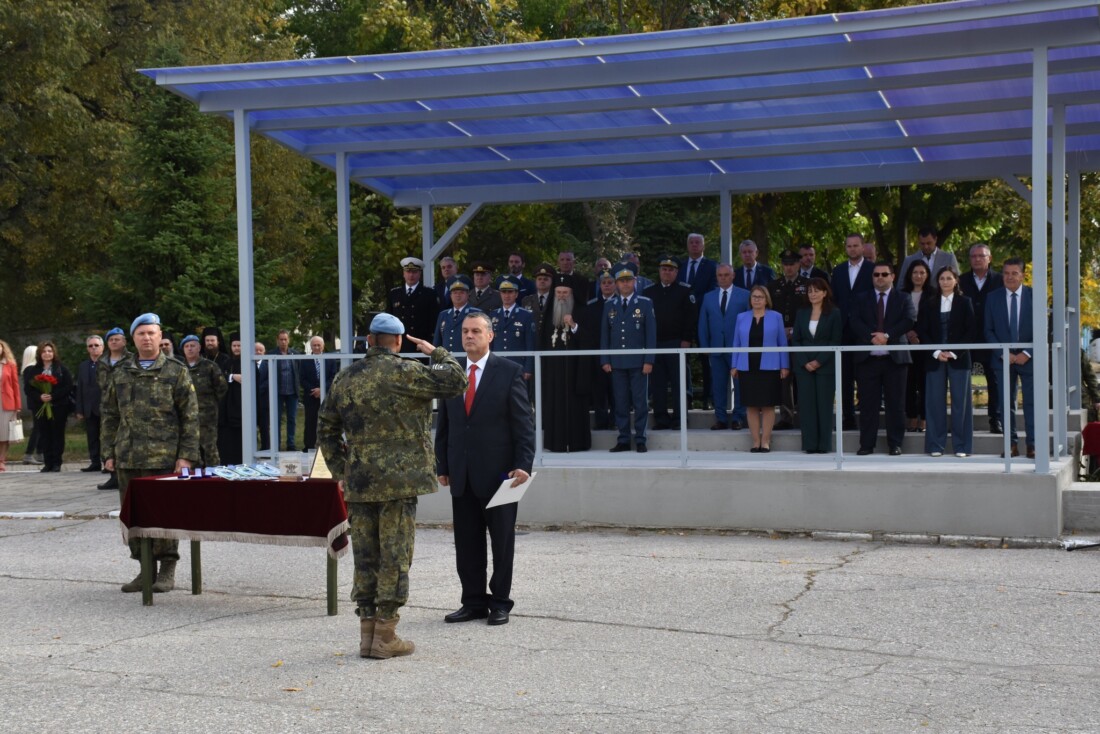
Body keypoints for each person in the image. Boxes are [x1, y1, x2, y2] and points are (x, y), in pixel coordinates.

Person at [317, 312, 467, 659]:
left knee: (366, 556)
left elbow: (325, 428)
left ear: (369, 340)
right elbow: (457, 381)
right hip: (400, 483)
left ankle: (367, 634)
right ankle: (386, 634)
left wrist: (342, 469)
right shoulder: (407, 372)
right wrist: (437, 352)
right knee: (395, 556)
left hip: (360, 482)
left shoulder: (345, 377)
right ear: (398, 342)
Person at [436, 312, 535, 627]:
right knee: (466, 542)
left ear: (490, 336)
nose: (469, 336)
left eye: (476, 331)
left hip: (500, 474)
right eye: (465, 331)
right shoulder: (452, 375)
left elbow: (524, 425)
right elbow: (446, 424)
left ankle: (500, 603)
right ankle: (473, 602)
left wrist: (523, 465)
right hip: (462, 474)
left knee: (502, 542)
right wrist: (443, 463)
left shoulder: (508, 372)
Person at [101, 313, 200, 593]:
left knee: (165, 514)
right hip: (129, 457)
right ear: (133, 338)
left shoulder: (176, 370)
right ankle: (145, 568)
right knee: (133, 515)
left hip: (165, 458)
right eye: (141, 333)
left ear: (160, 336)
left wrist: (186, 456)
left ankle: (167, 567)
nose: (146, 337)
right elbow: (109, 415)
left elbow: (191, 416)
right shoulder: (120, 372)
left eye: (151, 333)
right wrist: (108, 452)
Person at [851, 262, 916, 456]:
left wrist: (886, 336)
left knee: (896, 404)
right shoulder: (861, 298)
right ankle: (866, 444)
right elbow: (854, 320)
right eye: (876, 274)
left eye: (884, 274)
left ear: (892, 277)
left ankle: (895, 444)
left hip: (894, 360)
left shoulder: (903, 297)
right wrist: (872, 338)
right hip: (867, 359)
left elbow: (909, 320)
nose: (880, 277)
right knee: (867, 404)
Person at [917, 267, 977, 457]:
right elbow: (922, 330)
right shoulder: (928, 304)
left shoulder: (965, 302)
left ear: (956, 280)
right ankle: (935, 445)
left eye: (949, 278)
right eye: (941, 278)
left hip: (959, 358)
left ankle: (962, 446)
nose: (945, 281)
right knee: (934, 402)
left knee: (961, 403)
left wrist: (953, 352)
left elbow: (971, 331)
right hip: (935, 358)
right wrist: (936, 352)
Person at [601, 263, 657, 453]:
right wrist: (605, 359)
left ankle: (640, 438)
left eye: (628, 280)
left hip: (639, 362)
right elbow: (604, 335)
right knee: (621, 402)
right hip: (617, 363)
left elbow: (651, 334)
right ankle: (624, 439)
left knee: (640, 402)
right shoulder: (609, 305)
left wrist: (649, 359)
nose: (625, 284)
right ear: (616, 284)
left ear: (635, 281)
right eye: (621, 281)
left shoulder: (645, 303)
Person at [984, 258, 1035, 458]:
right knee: (1006, 403)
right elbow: (988, 330)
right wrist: (1003, 353)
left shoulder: (1034, 296)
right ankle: (1011, 445)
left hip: (1029, 359)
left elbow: (1043, 328)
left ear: (1023, 275)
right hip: (1002, 359)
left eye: (1014, 273)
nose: (1010, 277)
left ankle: (1033, 445)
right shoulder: (992, 298)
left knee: (1031, 403)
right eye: (1006, 273)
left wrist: (1027, 353)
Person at [730, 286, 790, 452]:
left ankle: (766, 441)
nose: (757, 299)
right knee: (751, 405)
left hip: (770, 366)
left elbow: (782, 343)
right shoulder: (741, 317)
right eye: (754, 297)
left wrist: (785, 365)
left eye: (760, 297)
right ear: (750, 299)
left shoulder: (776, 317)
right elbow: (736, 342)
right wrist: (734, 364)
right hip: (747, 366)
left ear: (766, 299)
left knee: (768, 405)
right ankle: (755, 441)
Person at [540, 276, 592, 452]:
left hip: (574, 369)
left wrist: (574, 325)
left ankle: (577, 443)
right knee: (554, 404)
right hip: (553, 370)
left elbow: (589, 340)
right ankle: (555, 443)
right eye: (558, 293)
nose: (561, 296)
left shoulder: (583, 312)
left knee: (574, 405)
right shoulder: (548, 315)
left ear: (571, 294)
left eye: (565, 293)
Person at [644, 255, 695, 430]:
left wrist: (687, 339)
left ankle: (680, 419)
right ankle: (661, 419)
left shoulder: (685, 291)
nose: (667, 272)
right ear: (659, 271)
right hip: (656, 344)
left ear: (676, 272)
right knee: (657, 384)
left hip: (677, 344)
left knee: (679, 383)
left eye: (671, 270)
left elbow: (690, 318)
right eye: (664, 269)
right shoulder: (649, 292)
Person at [792, 279, 843, 454]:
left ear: (824, 293)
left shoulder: (834, 313)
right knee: (806, 406)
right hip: (803, 366)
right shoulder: (801, 313)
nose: (812, 294)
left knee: (824, 405)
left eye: (816, 291)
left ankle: (824, 445)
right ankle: (810, 445)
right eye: (810, 291)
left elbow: (835, 340)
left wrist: (818, 361)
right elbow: (796, 340)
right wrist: (805, 361)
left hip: (825, 366)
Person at [830, 232, 875, 430]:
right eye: (849, 246)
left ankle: (866, 418)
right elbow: (833, 299)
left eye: (856, 245)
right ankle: (848, 417)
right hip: (843, 330)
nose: (852, 249)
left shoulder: (873, 270)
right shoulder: (838, 271)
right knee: (845, 377)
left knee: (865, 377)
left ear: (863, 247)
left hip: (866, 330)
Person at [959, 243, 1004, 434]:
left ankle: (996, 419)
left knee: (994, 380)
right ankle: (961, 422)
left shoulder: (1000, 280)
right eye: (974, 256)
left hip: (991, 337)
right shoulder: (960, 281)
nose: (977, 259)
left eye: (981, 256)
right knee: (961, 380)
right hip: (966, 337)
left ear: (989, 258)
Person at [698, 264, 749, 430]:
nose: (723, 278)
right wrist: (705, 347)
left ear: (733, 275)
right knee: (718, 385)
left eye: (726, 275)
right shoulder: (709, 297)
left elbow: (749, 324)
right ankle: (720, 418)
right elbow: (703, 324)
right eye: (720, 275)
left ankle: (738, 418)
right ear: (716, 276)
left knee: (740, 385)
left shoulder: (744, 295)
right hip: (716, 348)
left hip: (738, 349)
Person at [767, 250, 809, 430]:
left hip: (802, 338)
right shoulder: (773, 285)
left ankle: (806, 414)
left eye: (792, 264)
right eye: (786, 264)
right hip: (780, 339)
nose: (789, 267)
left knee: (804, 375)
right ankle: (787, 416)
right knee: (784, 378)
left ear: (799, 265)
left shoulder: (808, 285)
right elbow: (768, 312)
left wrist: (795, 329)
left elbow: (811, 312)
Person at [23, 340, 74, 473]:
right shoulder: (34, 370)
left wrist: (53, 396)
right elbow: (28, 389)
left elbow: (68, 386)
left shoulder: (61, 368)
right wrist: (40, 397)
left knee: (57, 434)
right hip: (40, 407)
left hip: (58, 406)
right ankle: (48, 462)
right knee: (44, 434)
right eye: (44, 351)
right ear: (40, 353)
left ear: (54, 353)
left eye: (49, 351)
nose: (47, 353)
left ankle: (57, 462)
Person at [681, 233, 718, 411]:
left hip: (705, 318)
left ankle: (708, 398)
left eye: (698, 243)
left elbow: (714, 289)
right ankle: (686, 398)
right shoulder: (679, 265)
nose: (694, 245)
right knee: (683, 360)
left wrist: (694, 299)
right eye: (691, 242)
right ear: (687, 245)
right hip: (684, 319)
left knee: (707, 360)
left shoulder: (711, 266)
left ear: (703, 246)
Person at [180, 334, 228, 467]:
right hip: (185, 415)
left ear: (199, 347)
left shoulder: (210, 366)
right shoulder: (179, 368)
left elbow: (222, 387)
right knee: (189, 448)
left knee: (209, 448)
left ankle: (215, 476)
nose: (190, 349)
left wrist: (210, 403)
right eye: (187, 346)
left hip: (207, 415)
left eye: (193, 346)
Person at [900, 260, 935, 434]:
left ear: (927, 275)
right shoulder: (902, 293)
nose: (918, 276)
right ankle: (911, 417)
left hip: (925, 345)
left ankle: (924, 418)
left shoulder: (933, 294)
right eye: (915, 272)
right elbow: (898, 317)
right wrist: (907, 333)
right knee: (908, 383)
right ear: (909, 275)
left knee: (924, 383)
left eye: (922, 272)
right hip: (904, 344)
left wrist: (917, 334)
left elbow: (931, 319)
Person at [579, 269, 616, 430]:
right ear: (599, 285)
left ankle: (616, 420)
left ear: (615, 285)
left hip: (616, 354)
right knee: (599, 390)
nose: (607, 286)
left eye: (610, 283)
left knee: (616, 391)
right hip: (597, 354)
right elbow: (587, 332)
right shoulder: (591, 307)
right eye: (604, 283)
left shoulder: (620, 304)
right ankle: (601, 421)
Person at [95, 327, 131, 489]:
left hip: (127, 405)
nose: (114, 342)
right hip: (108, 406)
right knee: (108, 438)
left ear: (124, 342)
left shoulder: (131, 359)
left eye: (117, 339)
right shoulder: (102, 361)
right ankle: (113, 475)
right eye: (111, 340)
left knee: (127, 439)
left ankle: (127, 475)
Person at [387, 256, 439, 353]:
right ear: (403, 273)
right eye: (408, 272)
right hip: (399, 344)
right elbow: (390, 319)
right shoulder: (395, 293)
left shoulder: (429, 294)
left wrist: (428, 342)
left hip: (420, 345)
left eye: (414, 272)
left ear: (419, 274)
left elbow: (433, 321)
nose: (411, 275)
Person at [489, 276, 536, 380]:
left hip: (518, 365)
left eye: (510, 292)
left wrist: (528, 368)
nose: (507, 295)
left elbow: (530, 343)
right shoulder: (493, 315)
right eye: (504, 292)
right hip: (497, 364)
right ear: (500, 294)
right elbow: (489, 344)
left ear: (516, 294)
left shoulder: (526, 315)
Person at [300, 335, 339, 451]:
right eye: (314, 345)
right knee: (310, 421)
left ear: (323, 346)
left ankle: (326, 445)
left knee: (327, 421)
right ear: (311, 346)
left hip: (326, 396)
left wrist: (322, 389)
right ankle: (309, 445)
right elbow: (302, 378)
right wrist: (314, 390)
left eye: (319, 345)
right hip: (311, 396)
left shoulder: (330, 360)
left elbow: (333, 376)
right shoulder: (305, 361)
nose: (316, 347)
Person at [74, 335, 104, 473]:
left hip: (104, 407)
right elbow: (80, 387)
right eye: (90, 346)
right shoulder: (83, 366)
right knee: (92, 436)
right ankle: (95, 462)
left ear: (102, 347)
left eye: (96, 345)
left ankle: (108, 463)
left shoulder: (107, 363)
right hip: (89, 407)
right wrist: (79, 409)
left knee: (106, 437)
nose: (93, 348)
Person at [434, 275, 480, 353]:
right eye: (455, 292)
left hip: (467, 360)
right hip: (447, 361)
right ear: (450, 295)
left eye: (461, 292)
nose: (458, 295)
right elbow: (437, 342)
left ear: (468, 294)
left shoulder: (476, 313)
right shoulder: (443, 315)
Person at [218, 333, 245, 465]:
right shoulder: (226, 362)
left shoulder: (247, 361)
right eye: (234, 345)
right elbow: (220, 376)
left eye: (239, 345)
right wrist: (233, 377)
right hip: (227, 405)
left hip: (242, 404)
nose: (236, 348)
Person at [273, 329, 301, 451]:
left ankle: (291, 443)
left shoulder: (295, 355)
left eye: (285, 339)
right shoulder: (272, 354)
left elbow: (300, 372)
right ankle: (276, 444)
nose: (283, 342)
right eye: (281, 339)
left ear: (288, 340)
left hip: (292, 392)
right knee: (276, 419)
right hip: (277, 393)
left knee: (292, 419)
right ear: (277, 340)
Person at [0, 339, 22, 472]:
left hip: (6, 403)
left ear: (3, 349)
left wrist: (18, 405)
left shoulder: (10, 365)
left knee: (4, 433)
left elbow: (15, 385)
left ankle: (1, 460)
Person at [522, 263, 556, 346]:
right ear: (535, 281)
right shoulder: (526, 300)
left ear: (552, 281)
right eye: (539, 279)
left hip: (551, 341)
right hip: (532, 341)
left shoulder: (556, 300)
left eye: (546, 279)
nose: (542, 281)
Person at [20, 345, 42, 465]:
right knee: (38, 428)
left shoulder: (28, 368)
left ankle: (39, 452)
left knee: (40, 427)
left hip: (35, 401)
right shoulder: (31, 368)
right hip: (37, 402)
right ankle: (29, 454)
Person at [254, 341, 271, 452]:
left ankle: (266, 448)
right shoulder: (247, 365)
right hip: (251, 401)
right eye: (256, 350)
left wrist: (258, 389)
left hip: (264, 401)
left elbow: (270, 380)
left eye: (261, 350)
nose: (258, 352)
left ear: (264, 352)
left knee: (264, 426)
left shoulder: (268, 365)